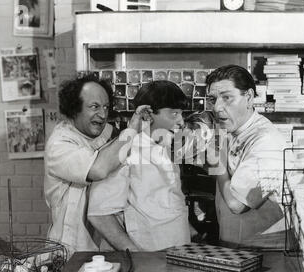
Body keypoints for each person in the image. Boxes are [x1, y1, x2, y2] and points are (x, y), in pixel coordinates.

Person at [44, 74, 151, 256]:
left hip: (107, 246)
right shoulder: (59, 144)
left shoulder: (108, 133)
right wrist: (132, 130)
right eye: (94, 107)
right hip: (72, 250)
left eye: (106, 107)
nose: (102, 115)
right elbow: (98, 169)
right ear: (74, 108)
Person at [88, 80, 191, 251]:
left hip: (177, 250)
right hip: (149, 255)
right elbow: (99, 215)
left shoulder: (164, 146)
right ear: (148, 115)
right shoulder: (127, 150)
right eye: (174, 114)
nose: (181, 121)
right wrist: (137, 256)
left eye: (181, 113)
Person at [205, 65, 289, 249]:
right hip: (235, 240)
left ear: (249, 97)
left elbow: (236, 204)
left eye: (227, 98)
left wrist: (215, 162)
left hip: (262, 250)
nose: (217, 107)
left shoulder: (266, 141)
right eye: (213, 99)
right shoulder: (232, 129)